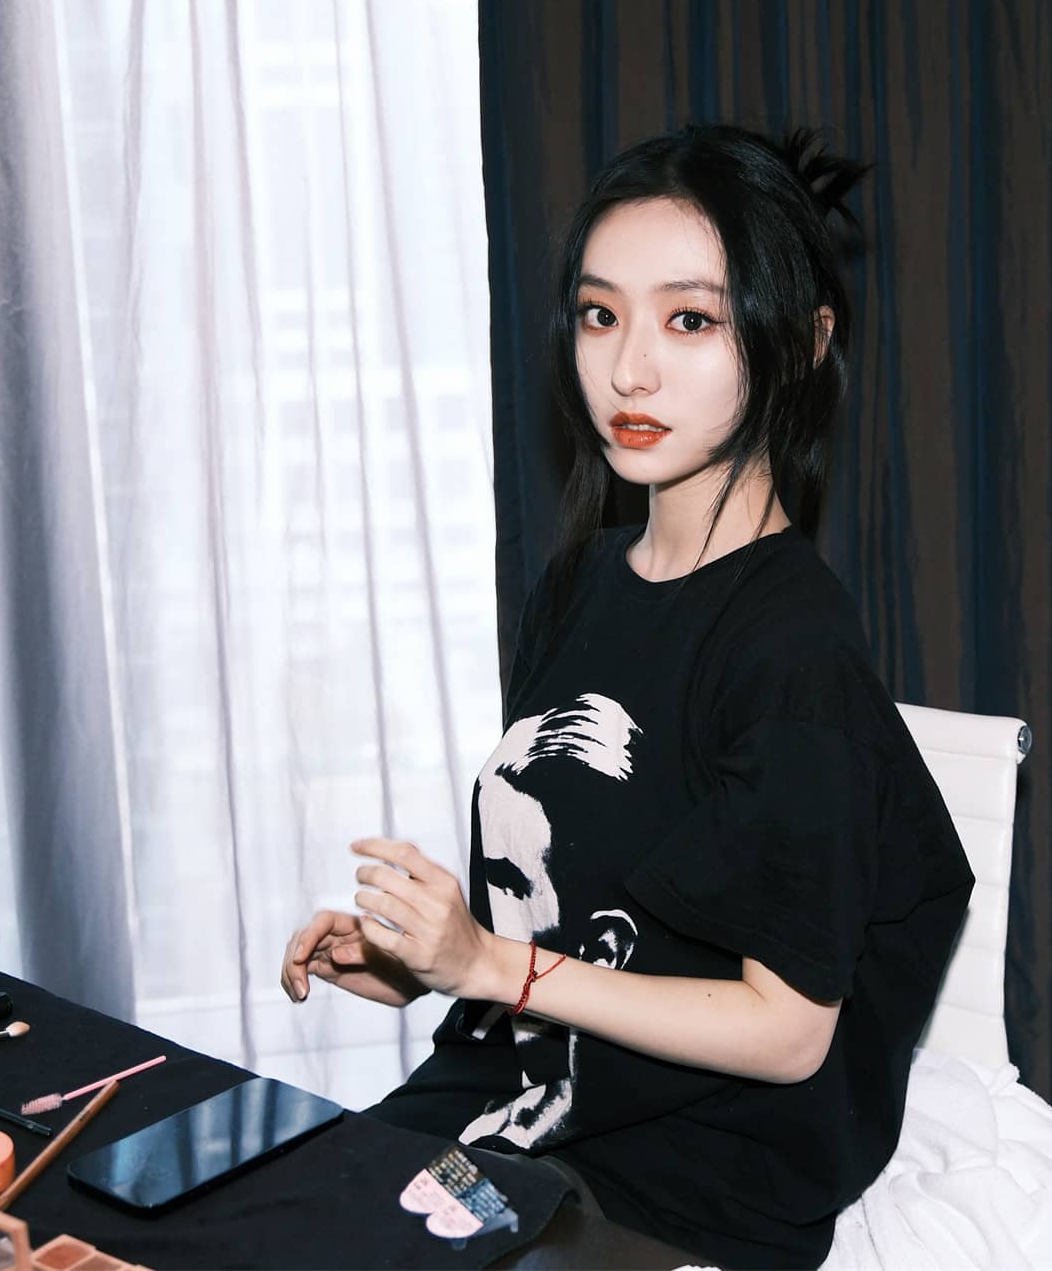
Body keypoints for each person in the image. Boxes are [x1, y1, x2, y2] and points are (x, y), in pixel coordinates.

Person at [279, 124, 974, 1270]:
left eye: (688, 320)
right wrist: (428, 960)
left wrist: (490, 966)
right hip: (510, 1104)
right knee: (241, 1221)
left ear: (802, 344)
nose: (628, 371)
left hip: (680, 1178)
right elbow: (581, 893)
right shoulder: (580, 582)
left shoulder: (793, 655)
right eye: (600, 315)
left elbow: (789, 1032)